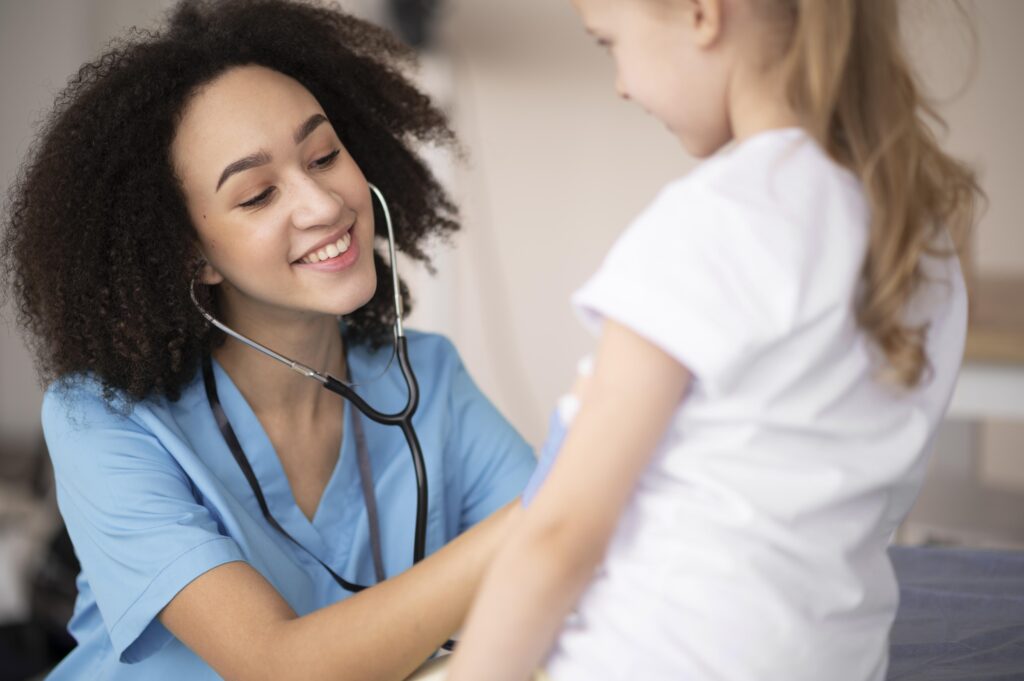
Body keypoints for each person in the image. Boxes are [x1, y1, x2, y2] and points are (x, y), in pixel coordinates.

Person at [447, 0, 982, 679]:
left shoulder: (712, 223)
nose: (620, 83)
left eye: (609, 43)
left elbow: (559, 538)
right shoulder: (921, 240)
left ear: (703, 14)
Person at [1, 1, 536, 679]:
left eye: (324, 155)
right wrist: (553, 507)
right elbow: (276, 666)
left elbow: (575, 567)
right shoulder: (103, 420)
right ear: (192, 254)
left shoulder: (429, 379)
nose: (322, 205)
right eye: (257, 195)